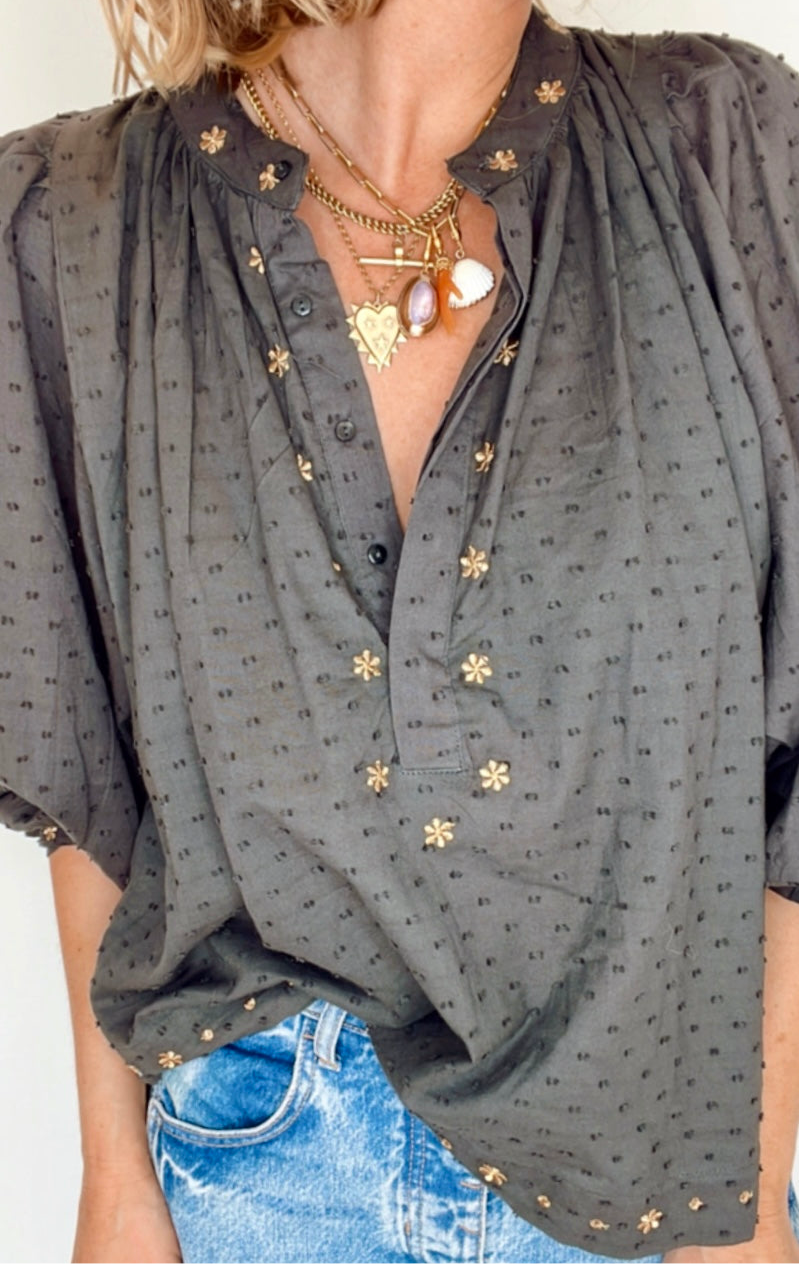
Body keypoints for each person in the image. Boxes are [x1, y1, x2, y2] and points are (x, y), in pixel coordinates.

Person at [3, 0, 799, 1260]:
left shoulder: (728, 145)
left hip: (650, 1169)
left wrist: (746, 1189)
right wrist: (114, 1178)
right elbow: (85, 757)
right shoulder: (72, 221)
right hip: (259, 1166)